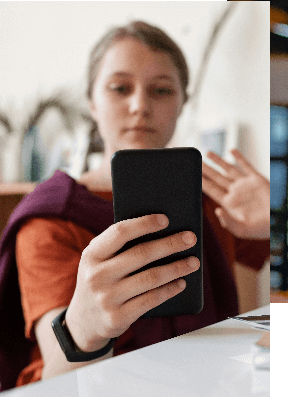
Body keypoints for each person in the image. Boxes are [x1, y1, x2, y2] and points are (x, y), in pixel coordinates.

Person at [0, 21, 269, 390]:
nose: (140, 106)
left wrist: (271, 224)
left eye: (161, 90)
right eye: (119, 88)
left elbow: (248, 318)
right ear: (92, 101)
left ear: (182, 102)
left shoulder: (218, 201)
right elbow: (59, 375)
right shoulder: (51, 217)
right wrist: (84, 330)